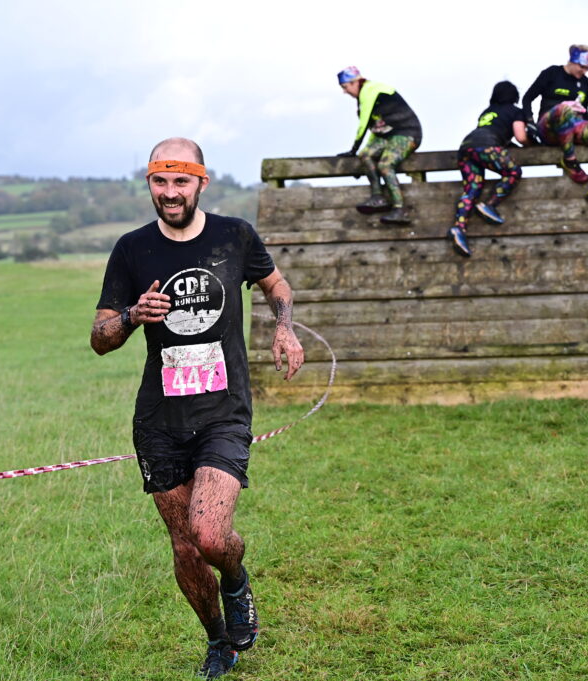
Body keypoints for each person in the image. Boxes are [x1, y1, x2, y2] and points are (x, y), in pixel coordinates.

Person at [90, 137, 304, 678]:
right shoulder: (132, 250)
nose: (169, 192)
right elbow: (99, 336)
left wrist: (284, 327)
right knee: (185, 548)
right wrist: (134, 314)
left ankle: (236, 582)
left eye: (180, 181)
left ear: (200, 182)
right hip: (159, 420)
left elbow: (276, 284)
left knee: (210, 534)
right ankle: (219, 642)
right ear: (150, 185)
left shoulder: (234, 236)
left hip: (222, 412)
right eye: (159, 182)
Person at [522, 44, 588, 204]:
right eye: (582, 67)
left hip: (574, 125)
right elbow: (527, 98)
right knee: (564, 109)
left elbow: (585, 110)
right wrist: (529, 122)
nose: (584, 71)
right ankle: (569, 160)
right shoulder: (552, 73)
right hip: (549, 126)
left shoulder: (584, 82)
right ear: (573, 61)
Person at [448, 81, 531, 257]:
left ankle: (459, 227)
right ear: (514, 96)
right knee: (513, 171)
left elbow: (499, 132)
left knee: (472, 187)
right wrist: (531, 144)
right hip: (486, 146)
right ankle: (489, 204)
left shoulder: (487, 112)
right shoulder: (515, 111)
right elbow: (521, 136)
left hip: (466, 147)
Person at [335, 66, 422, 225]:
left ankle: (399, 209)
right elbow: (374, 129)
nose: (345, 92)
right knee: (365, 154)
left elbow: (364, 123)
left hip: (407, 133)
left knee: (385, 164)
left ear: (355, 82)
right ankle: (378, 197)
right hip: (387, 135)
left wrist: (352, 149)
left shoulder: (369, 91)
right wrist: (360, 156)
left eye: (345, 87)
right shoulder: (364, 94)